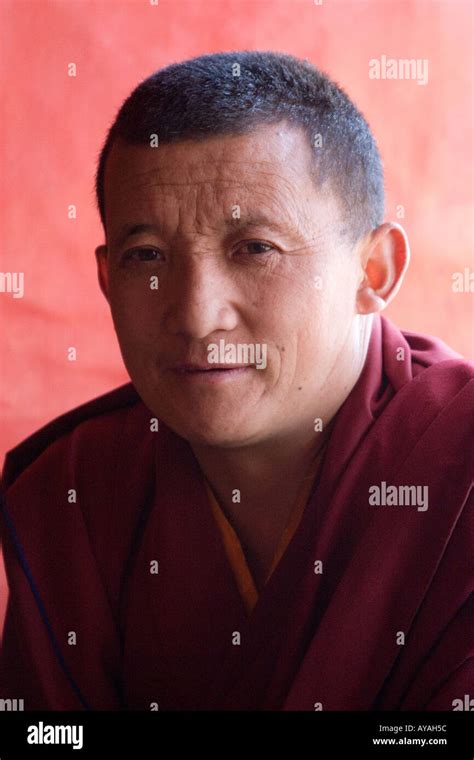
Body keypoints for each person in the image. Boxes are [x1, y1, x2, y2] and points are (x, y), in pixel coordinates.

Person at [0, 50, 472, 711]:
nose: (196, 315)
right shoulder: (76, 489)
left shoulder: (459, 470)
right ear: (108, 281)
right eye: (148, 257)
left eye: (254, 248)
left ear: (373, 272)